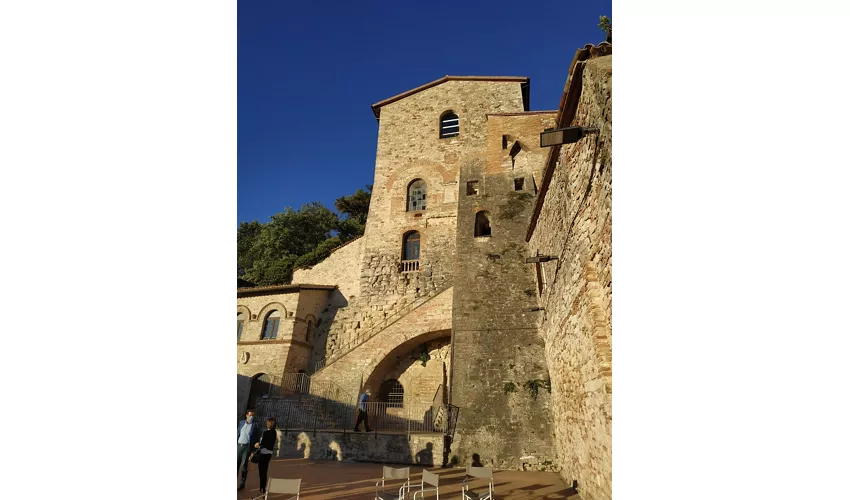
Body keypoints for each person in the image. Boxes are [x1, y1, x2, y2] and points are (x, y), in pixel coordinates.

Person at [237, 409, 261, 490]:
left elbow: (257, 436)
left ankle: (242, 483)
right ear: (246, 415)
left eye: (253, 415)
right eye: (250, 415)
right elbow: (237, 433)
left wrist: (254, 449)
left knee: (244, 465)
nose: (251, 417)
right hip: (238, 446)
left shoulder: (255, 424)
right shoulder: (241, 422)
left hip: (247, 447)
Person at [254, 417, 277, 496]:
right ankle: (263, 489)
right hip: (269, 454)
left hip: (263, 454)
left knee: (262, 473)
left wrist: (259, 444)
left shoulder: (266, 432)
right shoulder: (274, 432)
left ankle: (262, 490)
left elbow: (264, 443)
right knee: (264, 472)